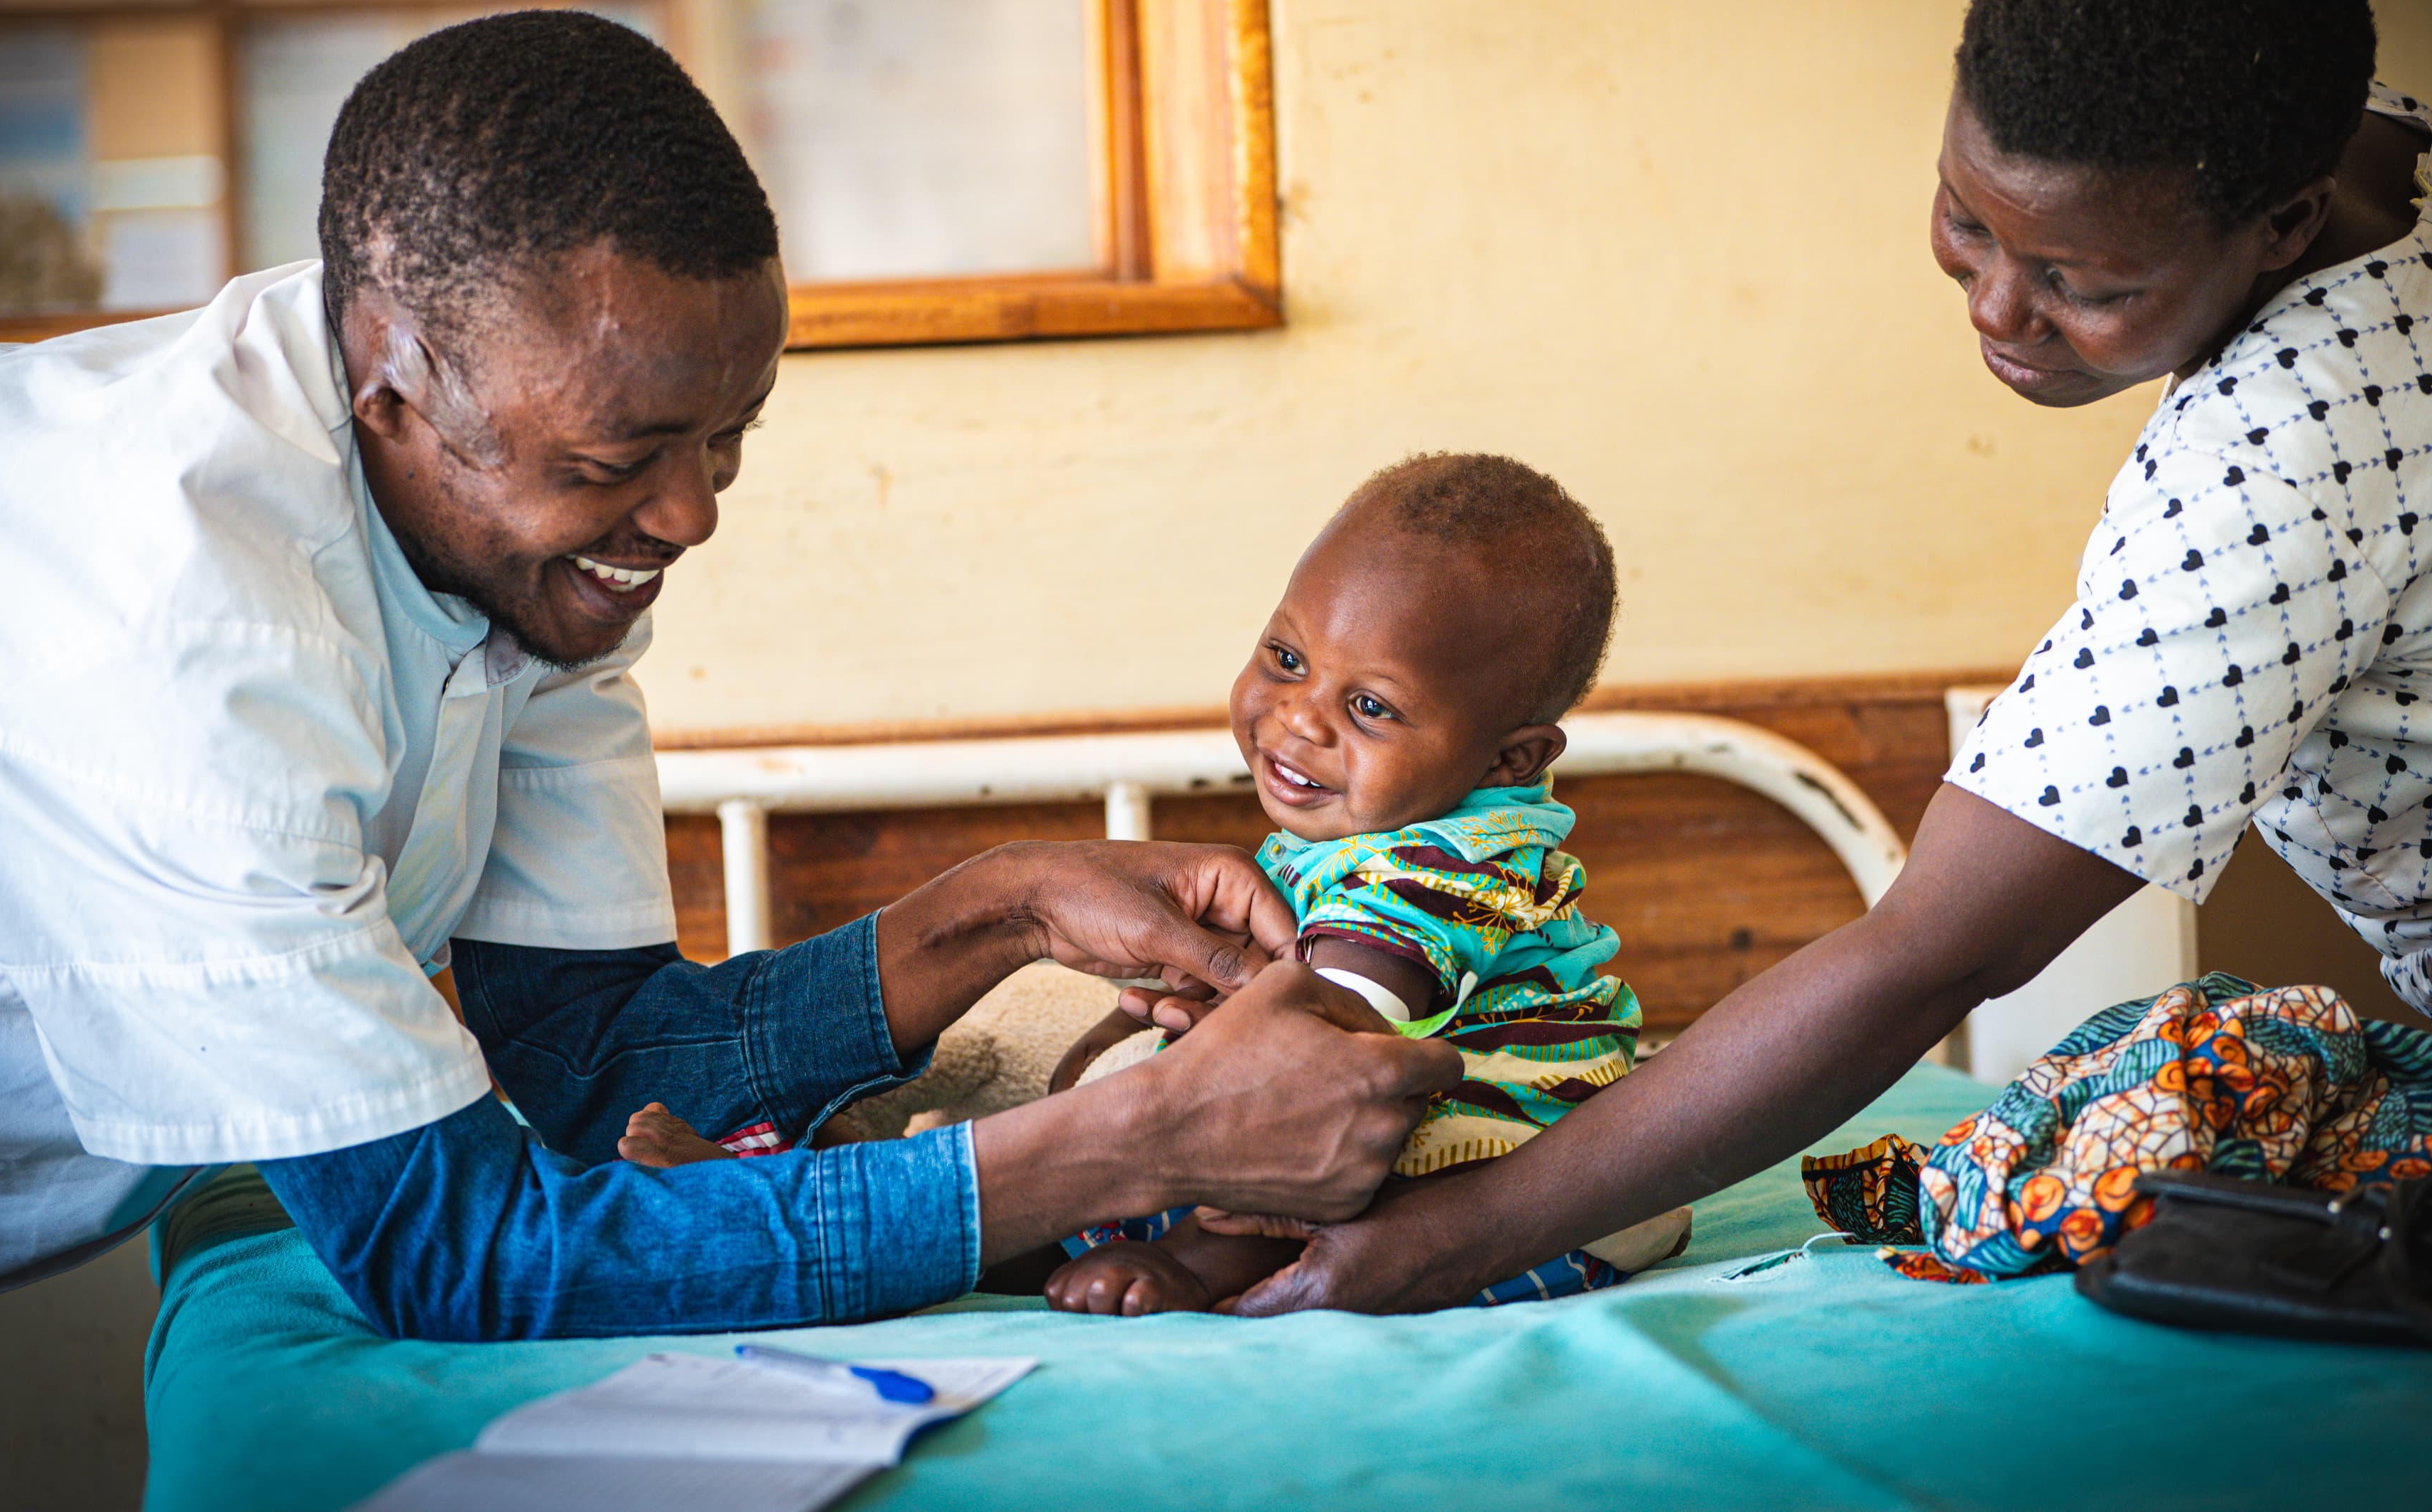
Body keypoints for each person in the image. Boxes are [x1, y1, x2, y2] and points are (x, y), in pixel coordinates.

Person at [1234, 0, 2432, 1317]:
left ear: (2280, 224)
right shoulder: (2382, 152)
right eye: (1969, 218)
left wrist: (1449, 1239)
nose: (1998, 307)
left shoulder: (2292, 445)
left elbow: (1932, 954)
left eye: (2088, 283)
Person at [0, 10, 1457, 1337]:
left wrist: (1006, 904)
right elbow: (455, 1252)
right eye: (622, 460)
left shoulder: (512, 522)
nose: (690, 516)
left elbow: (597, 1056)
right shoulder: (178, 635)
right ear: (391, 379)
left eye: (729, 435)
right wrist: (1137, 1149)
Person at [629, 452, 1683, 1314]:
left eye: (1372, 709)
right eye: (1285, 657)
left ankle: (1171, 1265)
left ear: (1510, 759)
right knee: (1089, 1135)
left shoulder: (1446, 865)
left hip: (1508, 1172)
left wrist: (1164, 1070)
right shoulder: (1386, 833)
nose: (1301, 718)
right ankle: (823, 1180)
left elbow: (1304, 1055)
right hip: (1425, 1135)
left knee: (1216, 1138)